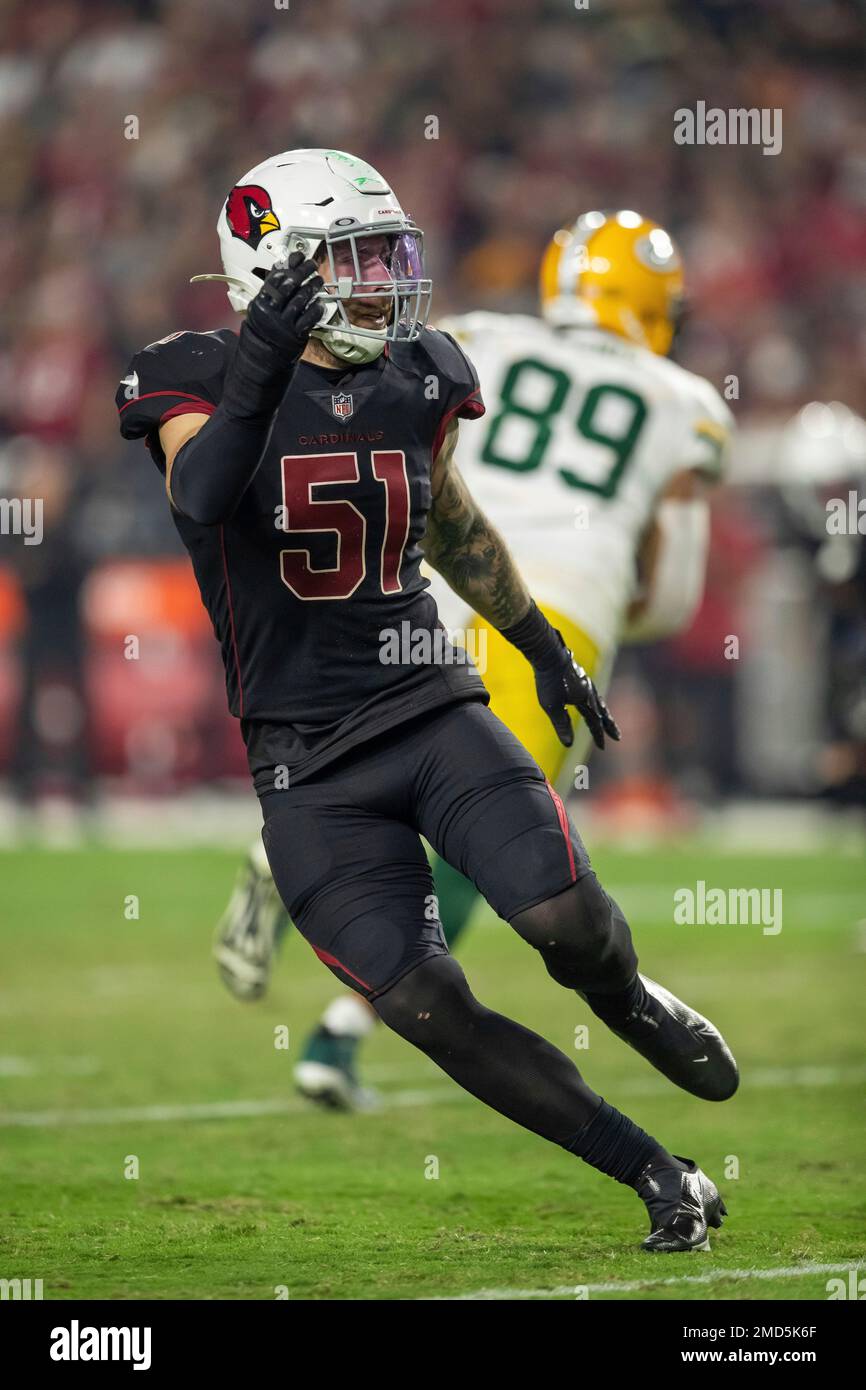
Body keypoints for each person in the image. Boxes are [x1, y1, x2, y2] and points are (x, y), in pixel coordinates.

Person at [116, 151, 736, 1252]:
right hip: (307, 765)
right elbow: (203, 493)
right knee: (426, 1009)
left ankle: (633, 1000)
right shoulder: (193, 372)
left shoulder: (417, 371)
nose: (381, 281)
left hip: (425, 703)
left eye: (383, 255)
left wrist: (541, 645)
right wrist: (260, 366)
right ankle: (654, 1171)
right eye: (352, 259)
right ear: (274, 270)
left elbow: (451, 526)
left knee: (563, 923)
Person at [215, 210, 735, 1120]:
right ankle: (341, 1033)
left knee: (398, 795)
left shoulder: (480, 338)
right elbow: (678, 598)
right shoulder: (681, 398)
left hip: (425, 589)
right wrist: (609, 613)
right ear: (653, 303)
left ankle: (289, 855)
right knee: (500, 848)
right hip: (554, 610)